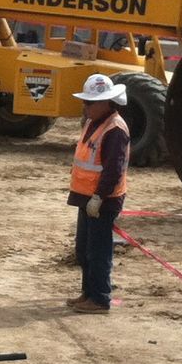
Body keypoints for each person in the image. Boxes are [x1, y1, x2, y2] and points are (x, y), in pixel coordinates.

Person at [67, 73, 129, 313]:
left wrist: (99, 197)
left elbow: (114, 170)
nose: (85, 106)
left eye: (90, 102)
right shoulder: (94, 122)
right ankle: (88, 293)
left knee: (98, 251)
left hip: (102, 200)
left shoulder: (115, 130)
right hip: (87, 197)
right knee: (84, 249)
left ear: (105, 102)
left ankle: (100, 298)